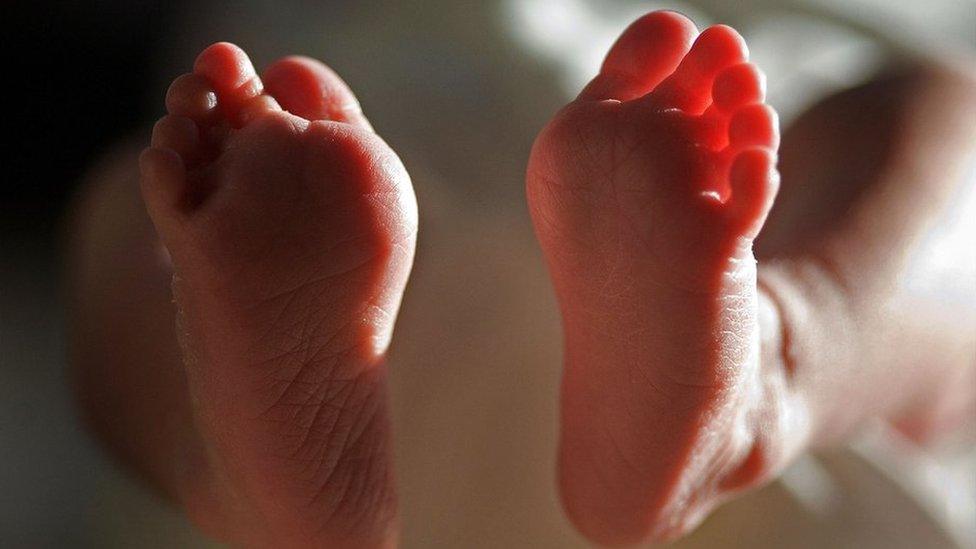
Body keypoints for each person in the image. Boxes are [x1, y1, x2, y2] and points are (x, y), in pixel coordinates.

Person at [66, 8, 976, 548]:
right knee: (935, 126)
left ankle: (236, 471)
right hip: (724, 162)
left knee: (126, 222)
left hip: (386, 115)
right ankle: (781, 349)